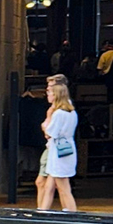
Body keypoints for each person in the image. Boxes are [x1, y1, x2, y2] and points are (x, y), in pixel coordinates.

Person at [36, 74, 79, 213]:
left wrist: (45, 123)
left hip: (58, 151)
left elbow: (50, 132)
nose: (47, 94)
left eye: (50, 92)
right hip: (67, 148)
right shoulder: (71, 112)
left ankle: (72, 213)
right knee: (52, 185)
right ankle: (43, 211)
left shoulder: (58, 113)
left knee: (63, 187)